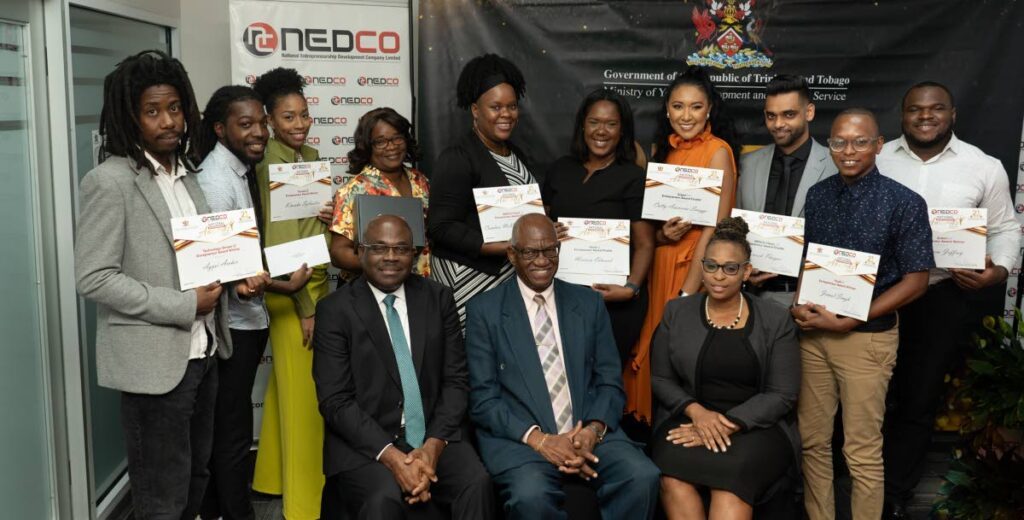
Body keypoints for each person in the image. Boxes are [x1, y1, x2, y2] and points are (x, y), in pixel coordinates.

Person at [74, 50, 231, 519]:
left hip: (203, 354)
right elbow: (94, 277)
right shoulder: (110, 182)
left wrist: (237, 275)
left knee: (196, 478)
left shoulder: (188, 176)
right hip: (155, 366)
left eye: (175, 108)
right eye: (152, 111)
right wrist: (184, 304)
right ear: (130, 117)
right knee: (162, 495)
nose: (168, 121)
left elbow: (198, 257)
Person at [876, 82, 1022, 519]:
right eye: (915, 109)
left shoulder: (983, 166)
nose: (925, 116)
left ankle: (894, 495)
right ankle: (855, 485)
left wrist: (997, 272)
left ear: (952, 114)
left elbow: (1007, 229)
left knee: (917, 400)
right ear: (902, 115)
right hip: (878, 293)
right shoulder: (876, 157)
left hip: (941, 296)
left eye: (935, 108)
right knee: (864, 396)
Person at [465, 213, 661, 519]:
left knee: (642, 476)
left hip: (586, 429)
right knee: (530, 496)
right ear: (512, 255)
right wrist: (540, 440)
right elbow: (483, 399)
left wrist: (593, 431)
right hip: (521, 438)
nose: (542, 260)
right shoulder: (485, 311)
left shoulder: (588, 303)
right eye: (530, 252)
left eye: (550, 250)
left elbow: (609, 380)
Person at [794, 108, 933, 520]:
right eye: (838, 142)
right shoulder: (817, 196)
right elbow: (810, 262)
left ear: (878, 145)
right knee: (813, 442)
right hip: (815, 337)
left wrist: (854, 318)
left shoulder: (904, 202)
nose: (848, 151)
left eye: (859, 142)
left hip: (866, 340)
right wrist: (802, 302)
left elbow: (917, 281)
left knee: (860, 448)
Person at [313, 215, 495, 519]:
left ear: (416, 253)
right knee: (383, 500)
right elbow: (335, 401)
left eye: (401, 249)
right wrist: (394, 458)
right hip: (367, 443)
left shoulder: (438, 298)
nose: (391, 257)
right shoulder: (334, 310)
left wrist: (433, 448)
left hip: (434, 434)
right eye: (379, 248)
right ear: (360, 252)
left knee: (476, 483)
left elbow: (456, 381)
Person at [194, 85, 314, 520]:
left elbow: (241, 265)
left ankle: (221, 508)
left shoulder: (240, 171)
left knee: (231, 423)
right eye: (246, 125)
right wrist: (285, 287)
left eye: (261, 122)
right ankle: (235, 512)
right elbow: (220, 271)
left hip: (248, 319)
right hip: (233, 327)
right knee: (230, 429)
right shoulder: (216, 181)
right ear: (221, 129)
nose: (259, 132)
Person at [651, 216, 800, 520]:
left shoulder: (776, 319)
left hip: (755, 427)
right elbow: (660, 378)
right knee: (673, 478)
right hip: (690, 420)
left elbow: (782, 394)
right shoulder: (677, 311)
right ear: (702, 267)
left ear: (746, 271)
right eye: (711, 266)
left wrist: (726, 424)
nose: (719, 276)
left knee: (730, 484)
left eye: (730, 268)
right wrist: (698, 414)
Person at [624, 66, 740, 425]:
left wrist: (690, 291)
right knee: (650, 345)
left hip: (694, 267)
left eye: (695, 107)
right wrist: (662, 236)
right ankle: (649, 437)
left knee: (677, 352)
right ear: (667, 110)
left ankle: (681, 436)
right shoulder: (662, 151)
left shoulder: (718, 151)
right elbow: (654, 226)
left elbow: (716, 229)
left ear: (709, 111)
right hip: (660, 262)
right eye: (678, 106)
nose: (685, 116)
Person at [250, 67, 329, 520]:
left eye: (304, 115)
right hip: (294, 292)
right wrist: (305, 306)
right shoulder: (271, 164)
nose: (299, 125)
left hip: (313, 283)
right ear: (270, 120)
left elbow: (308, 226)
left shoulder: (310, 155)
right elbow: (279, 244)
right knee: (306, 401)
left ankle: (271, 480)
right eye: (288, 117)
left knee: (286, 393)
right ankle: (306, 505)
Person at [542, 89, 656, 365]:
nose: (601, 131)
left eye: (611, 123)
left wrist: (630, 289)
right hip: (561, 298)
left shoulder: (633, 176)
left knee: (603, 382)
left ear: (622, 130)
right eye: (594, 122)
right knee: (559, 375)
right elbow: (539, 226)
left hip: (612, 302)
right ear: (583, 125)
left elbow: (645, 244)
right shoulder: (560, 169)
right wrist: (547, 232)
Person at [427, 53, 536, 327]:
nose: (506, 115)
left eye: (512, 106)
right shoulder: (458, 157)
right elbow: (441, 227)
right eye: (495, 107)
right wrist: (498, 247)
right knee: (469, 359)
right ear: (476, 110)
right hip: (469, 280)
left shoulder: (516, 153)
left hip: (506, 275)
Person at [737, 74, 837, 307]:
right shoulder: (747, 164)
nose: (778, 124)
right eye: (771, 116)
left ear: (809, 112)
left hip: (811, 299)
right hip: (752, 296)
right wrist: (741, 267)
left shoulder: (835, 166)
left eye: (789, 114)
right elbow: (735, 228)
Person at [329, 108, 430, 283]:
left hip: (417, 285)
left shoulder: (420, 180)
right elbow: (339, 253)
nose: (391, 147)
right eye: (380, 142)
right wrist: (385, 264)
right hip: (368, 290)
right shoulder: (355, 189)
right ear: (368, 146)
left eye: (397, 138)